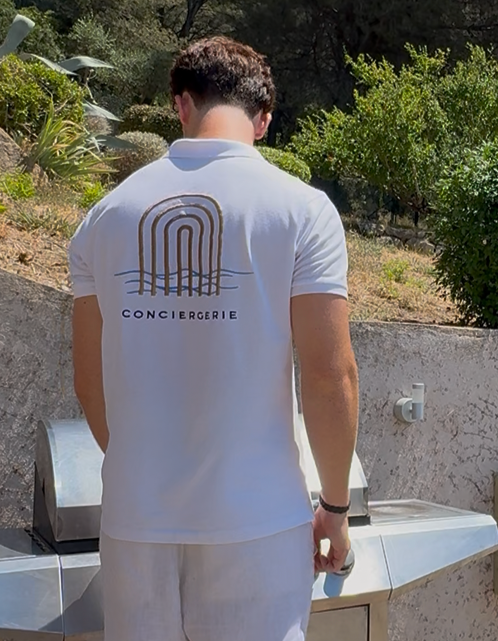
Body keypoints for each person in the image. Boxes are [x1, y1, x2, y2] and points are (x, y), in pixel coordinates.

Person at [67, 36, 358, 641]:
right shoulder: (303, 212)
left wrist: (149, 476)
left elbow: (90, 383)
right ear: (264, 119)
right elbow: (329, 376)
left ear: (181, 105)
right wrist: (334, 508)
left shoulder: (103, 218)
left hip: (134, 526)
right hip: (259, 526)